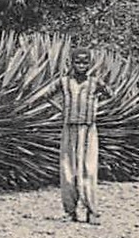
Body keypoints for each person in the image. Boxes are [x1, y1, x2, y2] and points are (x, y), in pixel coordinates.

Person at [45, 47, 113, 224]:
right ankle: (70, 211)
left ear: (90, 64)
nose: (81, 65)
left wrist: (94, 106)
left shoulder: (94, 82)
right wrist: (63, 109)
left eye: (85, 62)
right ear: (72, 62)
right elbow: (47, 95)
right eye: (78, 61)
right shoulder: (64, 82)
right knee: (67, 170)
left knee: (88, 170)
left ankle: (92, 211)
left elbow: (110, 94)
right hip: (69, 129)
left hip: (88, 129)